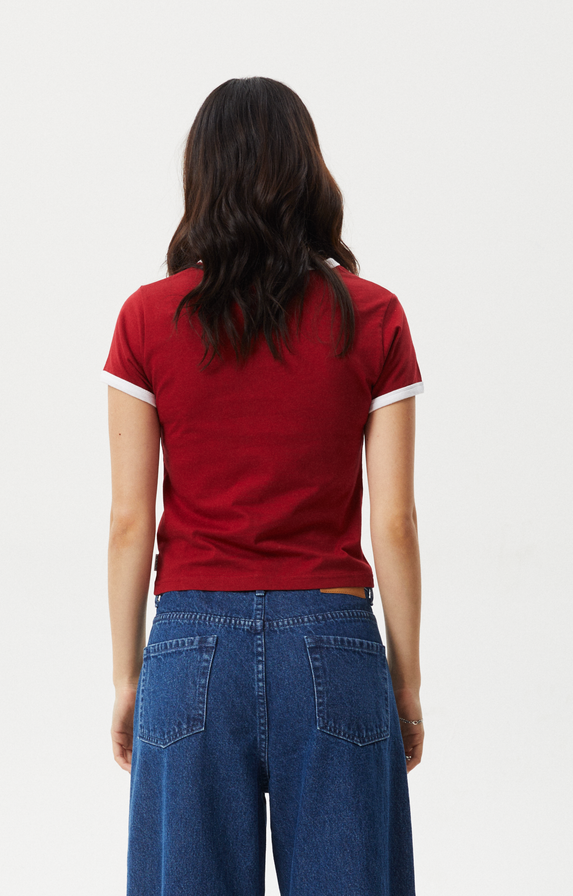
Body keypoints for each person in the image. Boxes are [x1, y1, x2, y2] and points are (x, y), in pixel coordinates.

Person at [101, 76, 424, 896]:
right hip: (336, 639)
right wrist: (406, 680)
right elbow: (395, 521)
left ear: (201, 177)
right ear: (310, 173)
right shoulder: (374, 315)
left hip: (189, 645)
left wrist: (129, 676)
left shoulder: (147, 319)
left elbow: (130, 521)